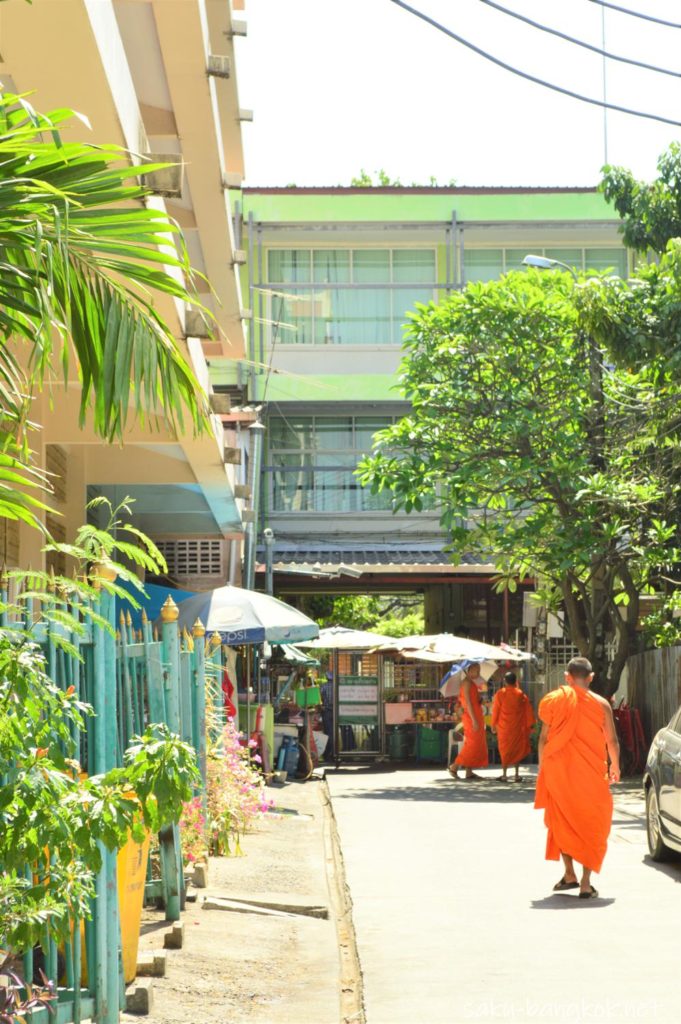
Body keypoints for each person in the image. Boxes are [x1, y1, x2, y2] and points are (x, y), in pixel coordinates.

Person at [534, 656, 620, 899]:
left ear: (567, 677)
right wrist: (616, 766)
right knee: (592, 823)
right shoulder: (602, 704)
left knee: (563, 821)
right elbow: (611, 740)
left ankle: (569, 872)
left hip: (559, 773)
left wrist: (543, 767)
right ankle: (584, 882)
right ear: (591, 678)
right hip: (591, 775)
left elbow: (543, 737)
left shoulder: (554, 700)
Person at [491, 670, 535, 782]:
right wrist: (530, 725)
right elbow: (528, 710)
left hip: (504, 727)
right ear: (515, 681)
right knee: (516, 749)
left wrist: (493, 724)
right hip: (517, 727)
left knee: (504, 749)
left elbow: (495, 710)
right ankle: (516, 774)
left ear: (505, 681)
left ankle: (504, 774)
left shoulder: (500, 694)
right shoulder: (520, 694)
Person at [448, 663, 489, 781]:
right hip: (471, 717)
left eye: (479, 670)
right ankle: (454, 766)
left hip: (476, 715)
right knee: (472, 744)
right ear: (469, 671)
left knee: (475, 743)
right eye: (476, 670)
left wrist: (480, 700)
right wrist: (474, 720)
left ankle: (469, 772)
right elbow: (468, 703)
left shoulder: (472, 683)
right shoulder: (466, 683)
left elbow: (474, 701)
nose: (478, 673)